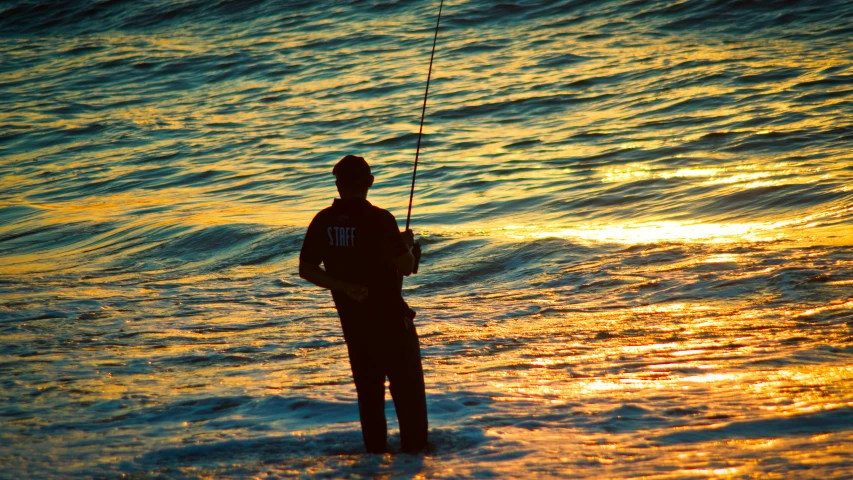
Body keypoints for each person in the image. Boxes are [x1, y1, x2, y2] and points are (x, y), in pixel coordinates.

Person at [298, 154, 428, 454]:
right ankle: (413, 461)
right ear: (369, 182)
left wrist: (346, 288)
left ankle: (375, 462)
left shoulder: (323, 221)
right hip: (393, 324)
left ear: (338, 184)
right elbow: (407, 266)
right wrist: (406, 244)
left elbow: (307, 268)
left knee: (370, 400)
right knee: (408, 400)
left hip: (355, 326)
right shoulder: (381, 219)